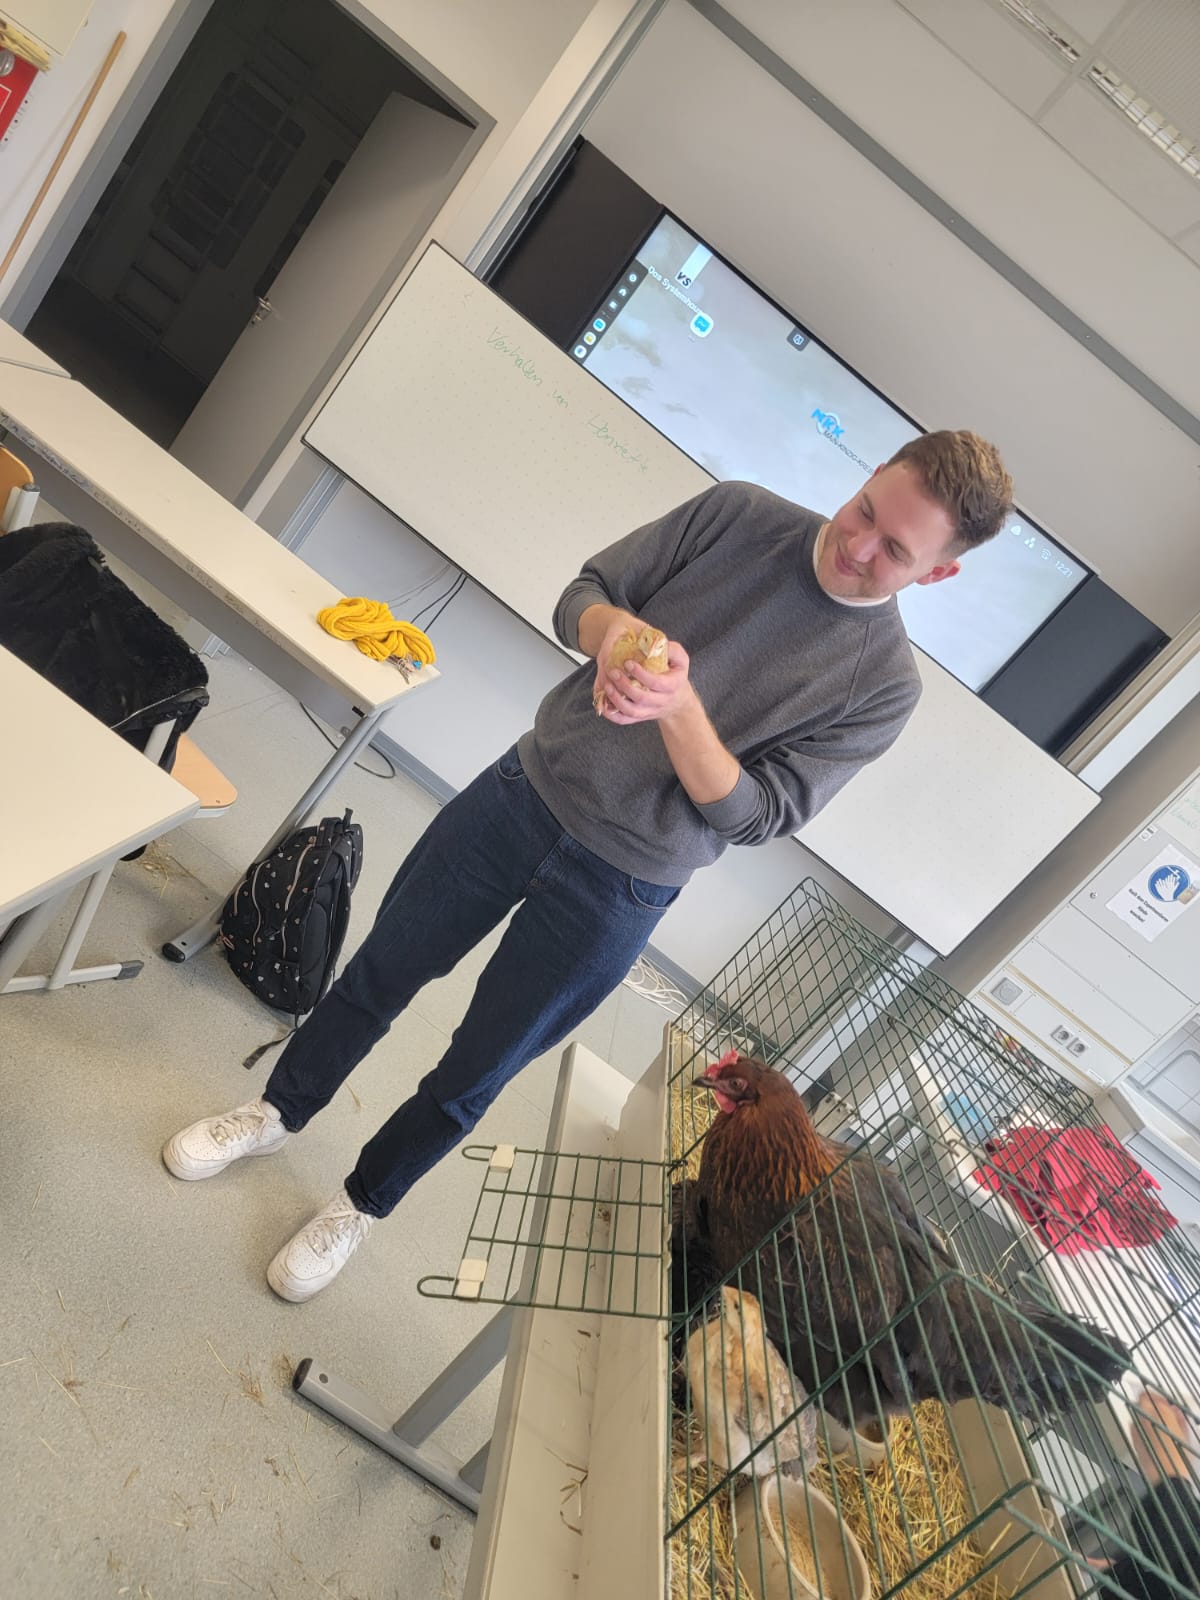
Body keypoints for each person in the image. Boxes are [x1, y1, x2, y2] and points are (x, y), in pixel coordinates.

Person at [163, 430, 1013, 1301]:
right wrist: (612, 634)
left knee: (477, 1069)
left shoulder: (884, 686)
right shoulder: (741, 513)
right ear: (870, 474)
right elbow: (584, 595)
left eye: (894, 550)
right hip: (519, 796)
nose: (858, 544)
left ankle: (361, 1203)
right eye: (865, 510)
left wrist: (678, 708)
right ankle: (276, 1110)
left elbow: (759, 815)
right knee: (381, 971)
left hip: (623, 887)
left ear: (939, 572)